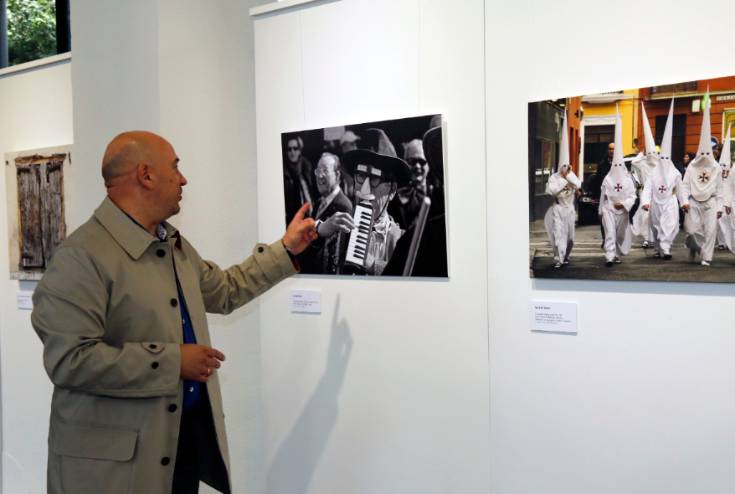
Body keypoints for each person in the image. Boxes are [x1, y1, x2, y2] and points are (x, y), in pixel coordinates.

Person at [31, 131, 318, 494]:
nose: (183, 180)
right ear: (146, 175)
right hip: (112, 472)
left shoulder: (171, 245)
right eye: (175, 167)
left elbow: (224, 291)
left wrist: (285, 249)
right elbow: (69, 360)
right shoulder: (80, 257)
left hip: (175, 448)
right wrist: (172, 361)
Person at [320, 128, 412, 275]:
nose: (364, 190)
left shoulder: (403, 241)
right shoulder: (338, 232)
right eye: (361, 176)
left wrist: (374, 266)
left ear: (392, 190)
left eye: (375, 179)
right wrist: (319, 231)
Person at [680, 92, 723, 266]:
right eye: (702, 152)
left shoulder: (717, 168)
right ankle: (694, 246)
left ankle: (706, 257)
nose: (705, 156)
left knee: (710, 231)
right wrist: (684, 201)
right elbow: (684, 185)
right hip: (694, 202)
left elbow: (720, 189)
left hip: (710, 202)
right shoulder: (692, 166)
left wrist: (719, 207)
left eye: (708, 153)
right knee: (691, 231)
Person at [640, 99, 681, 260]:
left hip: (670, 202)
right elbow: (647, 188)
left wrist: (684, 202)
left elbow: (681, 188)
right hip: (656, 202)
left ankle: (666, 248)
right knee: (656, 227)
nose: (663, 161)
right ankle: (658, 248)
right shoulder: (653, 173)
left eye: (666, 158)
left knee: (669, 225)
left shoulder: (675, 173)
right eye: (661, 158)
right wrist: (645, 201)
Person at [543, 109, 581, 268]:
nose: (565, 168)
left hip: (570, 209)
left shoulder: (572, 176)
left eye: (567, 166)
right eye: (563, 166)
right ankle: (558, 258)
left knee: (570, 238)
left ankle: (565, 256)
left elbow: (578, 185)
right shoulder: (554, 177)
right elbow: (552, 191)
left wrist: (569, 177)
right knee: (558, 234)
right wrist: (563, 181)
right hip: (558, 209)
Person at [305, 152, 353, 274]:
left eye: (325, 170)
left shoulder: (344, 207)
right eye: (318, 171)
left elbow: (338, 258)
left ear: (337, 175)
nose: (320, 176)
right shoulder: (319, 202)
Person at [599, 109, 636, 266]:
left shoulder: (628, 180)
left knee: (619, 235)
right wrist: (600, 210)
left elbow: (633, 196)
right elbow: (603, 195)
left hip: (623, 212)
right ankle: (609, 256)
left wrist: (624, 204)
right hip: (609, 209)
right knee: (610, 233)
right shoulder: (607, 178)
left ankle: (616, 253)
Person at [630, 103, 658, 249]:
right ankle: (647, 238)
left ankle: (656, 237)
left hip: (657, 193)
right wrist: (638, 187)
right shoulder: (640, 162)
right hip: (644, 192)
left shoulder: (660, 163)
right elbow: (633, 170)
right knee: (645, 215)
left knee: (656, 215)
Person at [283, 135, 316, 224]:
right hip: (293, 219)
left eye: (295, 148)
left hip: (310, 215)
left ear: (300, 151)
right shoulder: (284, 172)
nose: (292, 152)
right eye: (289, 149)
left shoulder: (307, 168)